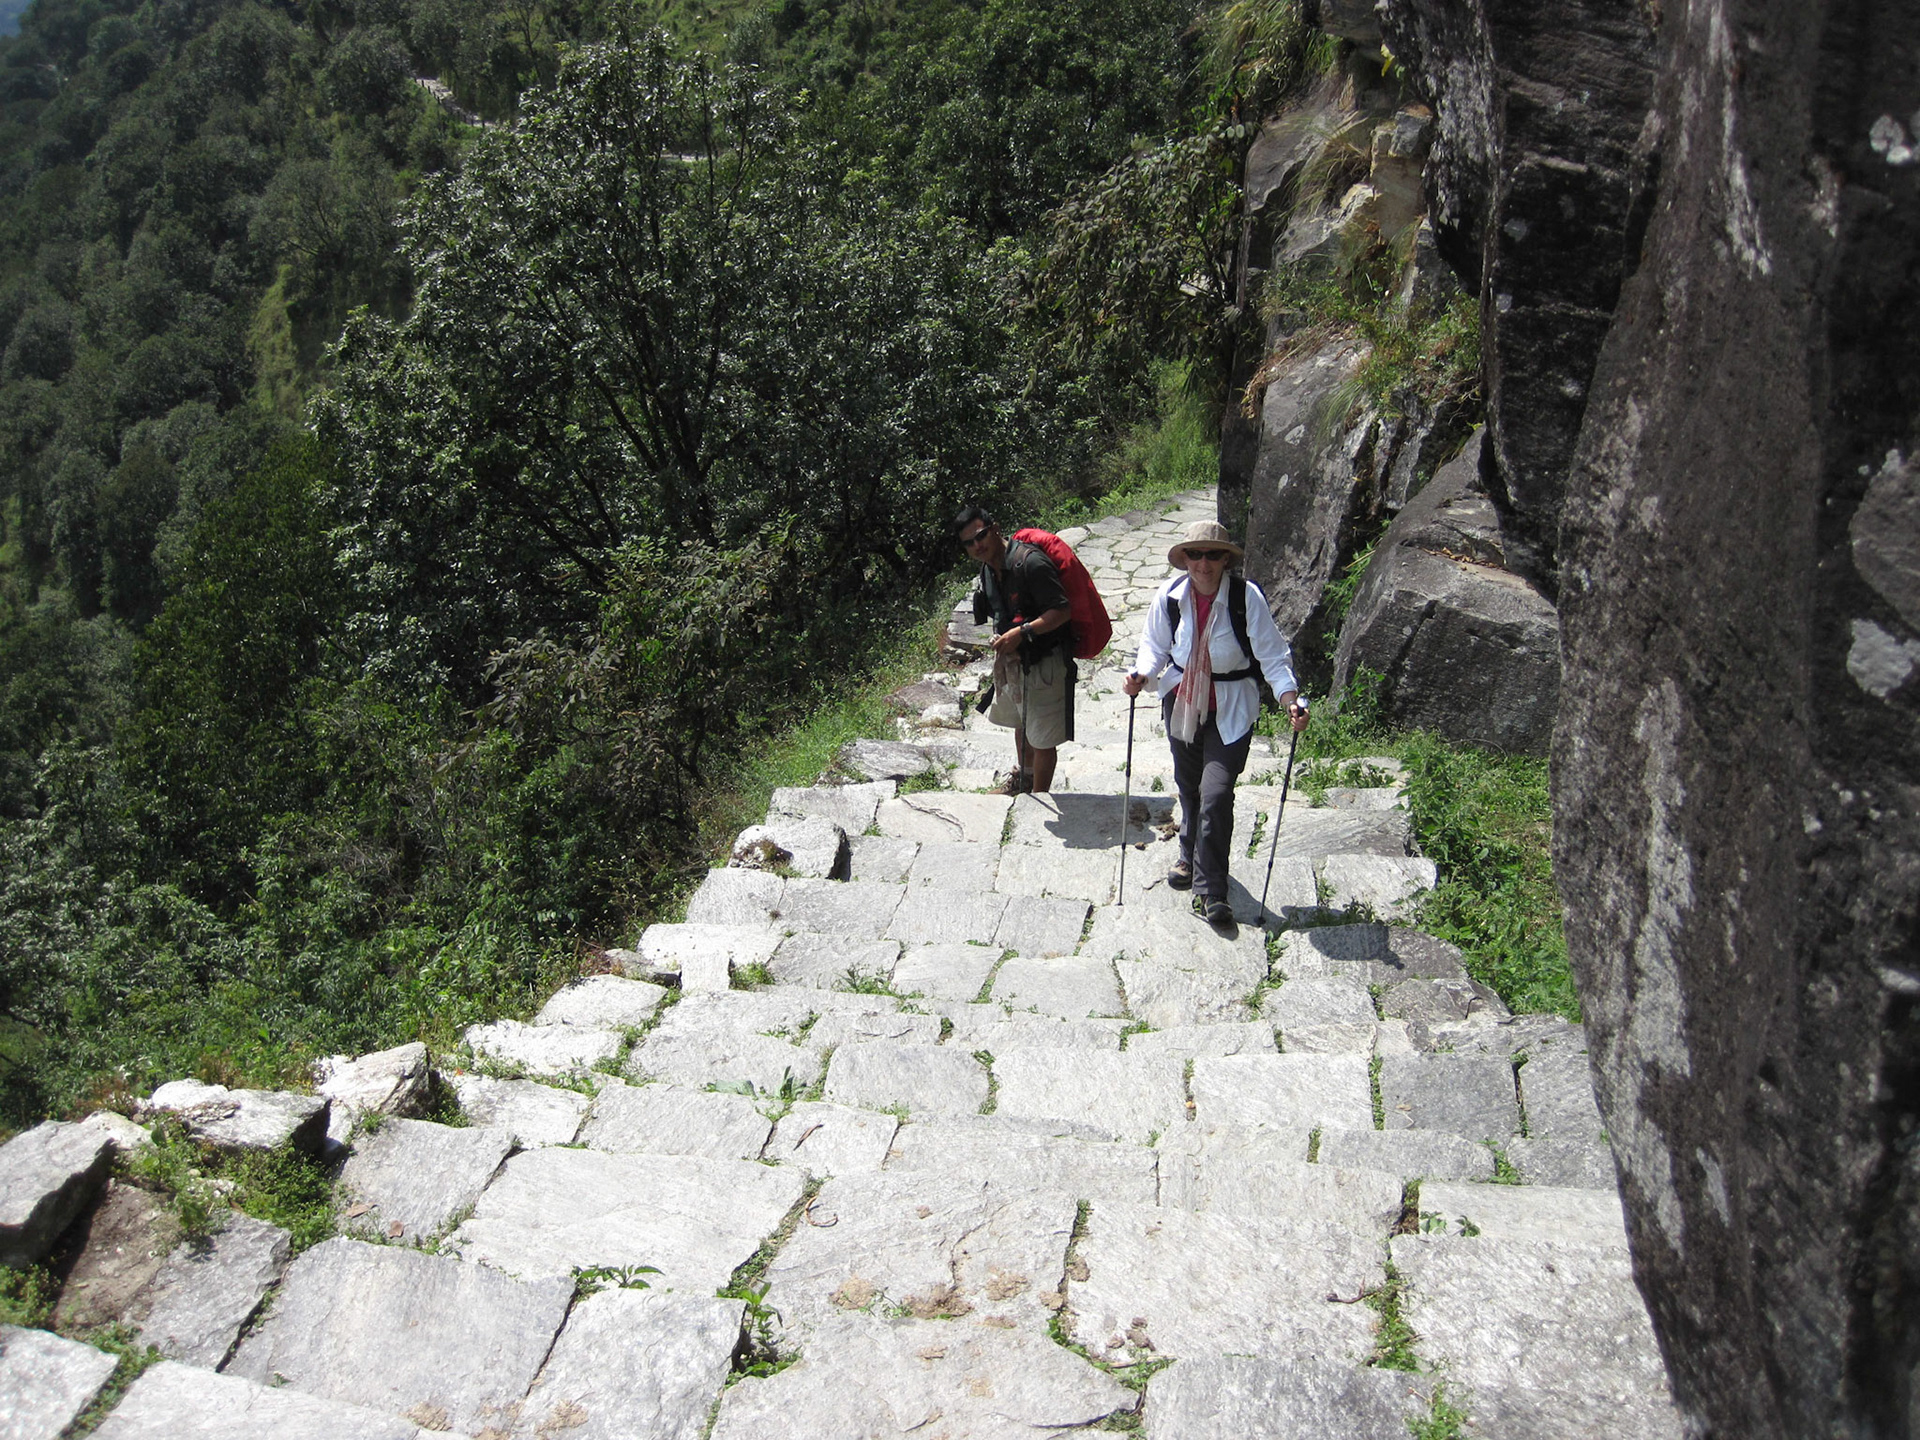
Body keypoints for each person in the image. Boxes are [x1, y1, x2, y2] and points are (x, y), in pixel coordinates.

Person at [1122, 520, 1309, 926]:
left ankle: (1212, 890)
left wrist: (1290, 700)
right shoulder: (1170, 598)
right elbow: (1154, 649)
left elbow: (1273, 657)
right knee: (1189, 788)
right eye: (1194, 554)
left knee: (1216, 792)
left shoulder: (1247, 598)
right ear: (1185, 559)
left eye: (1212, 554)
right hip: (1182, 701)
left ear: (1226, 559)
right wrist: (1139, 675)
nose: (1202, 563)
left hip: (1231, 707)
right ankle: (1188, 853)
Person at [955, 505, 1074, 794]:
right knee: (1022, 725)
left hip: (1045, 662)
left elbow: (1062, 611)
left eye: (981, 535)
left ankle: (1037, 798)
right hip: (1016, 663)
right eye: (969, 542)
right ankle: (1025, 781)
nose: (977, 545)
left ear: (995, 529)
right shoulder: (988, 571)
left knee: (1042, 739)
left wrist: (1022, 632)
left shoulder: (1030, 563)